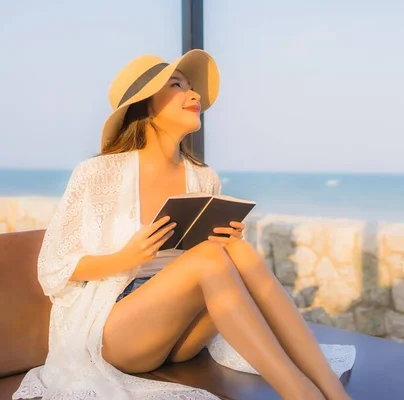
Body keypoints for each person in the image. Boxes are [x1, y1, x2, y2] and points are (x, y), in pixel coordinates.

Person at [13, 49, 355, 400]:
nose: (194, 96)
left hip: (182, 332)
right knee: (209, 256)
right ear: (146, 105)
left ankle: (331, 390)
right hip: (115, 330)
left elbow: (214, 271)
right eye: (177, 85)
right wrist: (126, 257)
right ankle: (303, 395)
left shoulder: (203, 179)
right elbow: (53, 267)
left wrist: (228, 241)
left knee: (237, 249)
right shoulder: (98, 174)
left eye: (192, 88)